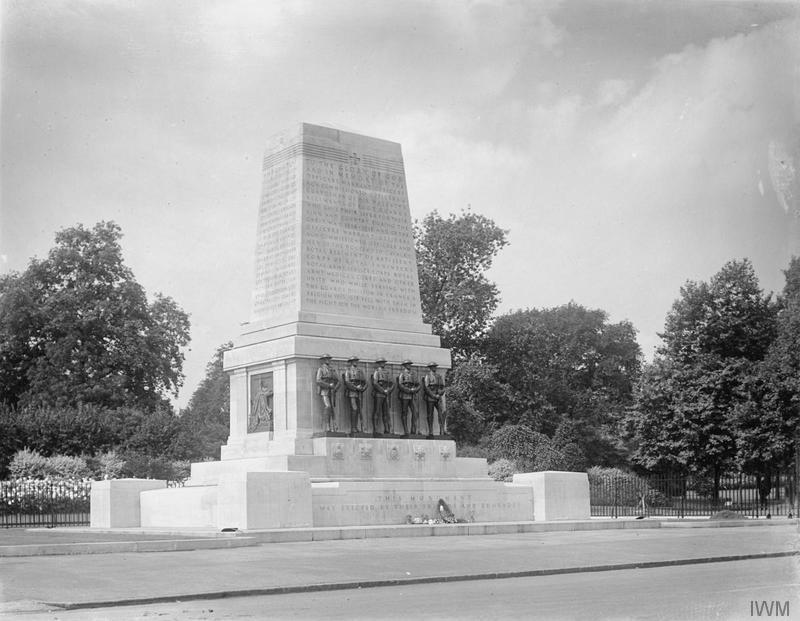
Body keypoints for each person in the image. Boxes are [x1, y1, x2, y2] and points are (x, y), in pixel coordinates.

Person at [344, 356, 367, 434]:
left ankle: (357, 427)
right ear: (351, 362)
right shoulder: (348, 371)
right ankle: (353, 427)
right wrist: (356, 387)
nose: (355, 362)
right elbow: (347, 382)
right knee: (354, 409)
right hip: (352, 392)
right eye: (354, 361)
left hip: (359, 392)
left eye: (356, 361)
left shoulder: (360, 371)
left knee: (359, 410)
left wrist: (363, 388)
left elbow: (365, 382)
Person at [316, 354, 340, 432]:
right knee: (328, 406)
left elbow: (339, 380)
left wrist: (335, 388)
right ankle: (327, 425)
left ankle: (334, 426)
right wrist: (328, 385)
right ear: (323, 360)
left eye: (329, 359)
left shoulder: (332, 370)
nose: (328, 360)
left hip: (332, 391)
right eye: (326, 359)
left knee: (332, 409)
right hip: (324, 391)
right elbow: (318, 380)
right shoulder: (321, 369)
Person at [371, 357, 394, 435]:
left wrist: (389, 390)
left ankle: (387, 429)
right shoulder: (376, 372)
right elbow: (375, 383)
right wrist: (383, 390)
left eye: (384, 362)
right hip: (379, 394)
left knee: (386, 412)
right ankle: (375, 429)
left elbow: (392, 383)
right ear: (378, 363)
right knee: (376, 411)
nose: (383, 364)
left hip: (386, 394)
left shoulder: (388, 372)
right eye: (381, 362)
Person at [397, 359, 421, 435]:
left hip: (413, 395)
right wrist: (408, 390)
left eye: (410, 364)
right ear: (404, 365)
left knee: (415, 412)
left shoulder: (414, 374)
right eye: (407, 364)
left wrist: (415, 390)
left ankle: (413, 430)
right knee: (404, 412)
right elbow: (400, 385)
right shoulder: (402, 374)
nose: (409, 365)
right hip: (405, 395)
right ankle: (406, 430)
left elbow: (419, 384)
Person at [423, 362, 445, 437]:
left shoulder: (439, 376)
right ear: (430, 368)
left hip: (438, 397)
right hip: (430, 397)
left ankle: (442, 430)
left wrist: (440, 393)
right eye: (433, 367)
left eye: (435, 366)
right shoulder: (428, 376)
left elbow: (443, 387)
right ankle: (430, 431)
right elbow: (426, 388)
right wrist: (433, 395)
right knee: (430, 414)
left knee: (441, 413)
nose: (434, 368)